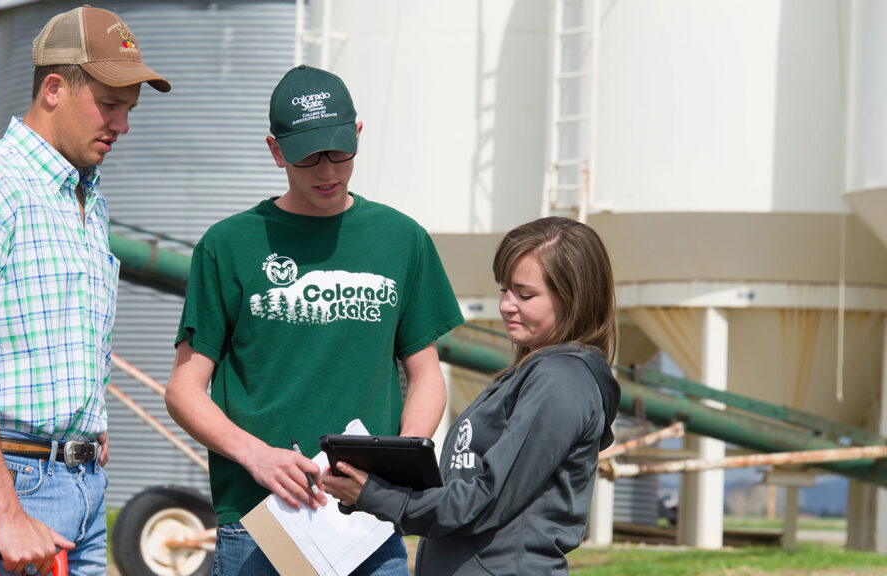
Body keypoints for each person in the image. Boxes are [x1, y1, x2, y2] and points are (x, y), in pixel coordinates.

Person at [165, 64, 464, 575]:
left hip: (367, 521)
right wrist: (257, 455)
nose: (328, 171)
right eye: (308, 157)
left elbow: (425, 374)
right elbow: (184, 390)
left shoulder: (402, 239)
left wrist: (398, 464)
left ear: (359, 135)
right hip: (261, 521)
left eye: (339, 152)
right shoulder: (228, 245)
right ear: (275, 150)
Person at [0, 5, 170, 575]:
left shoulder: (88, 200)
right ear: (54, 88)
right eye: (109, 106)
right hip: (7, 489)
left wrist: (84, 427)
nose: (122, 125)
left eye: (127, 110)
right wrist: (6, 512)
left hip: (80, 485)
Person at [323, 216, 622, 575]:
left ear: (573, 298)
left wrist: (376, 496)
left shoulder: (560, 381)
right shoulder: (532, 374)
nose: (507, 305)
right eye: (504, 290)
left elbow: (486, 500)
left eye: (525, 294)